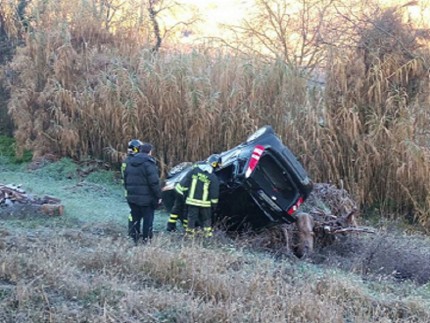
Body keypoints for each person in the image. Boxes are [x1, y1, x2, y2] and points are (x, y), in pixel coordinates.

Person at [122, 139, 162, 244]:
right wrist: (159, 196)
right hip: (146, 199)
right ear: (149, 152)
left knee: (135, 218)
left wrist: (129, 192)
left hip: (132, 197)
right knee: (147, 220)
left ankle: (134, 239)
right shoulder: (149, 163)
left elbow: (125, 179)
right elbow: (154, 183)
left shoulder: (129, 162)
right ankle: (146, 240)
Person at [174, 154, 221, 238]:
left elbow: (185, 182)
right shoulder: (213, 177)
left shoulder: (194, 170)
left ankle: (189, 235)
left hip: (191, 201)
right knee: (206, 219)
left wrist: (184, 196)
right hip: (205, 204)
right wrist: (214, 205)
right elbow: (214, 193)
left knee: (191, 218)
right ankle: (207, 235)